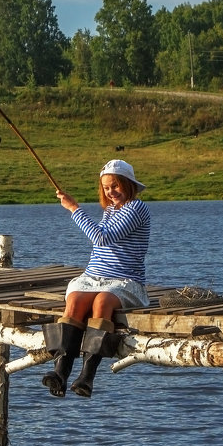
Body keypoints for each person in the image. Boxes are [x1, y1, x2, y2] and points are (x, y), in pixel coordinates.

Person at [42, 159, 151, 398]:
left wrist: (74, 208)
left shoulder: (137, 208)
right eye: (106, 188)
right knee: (76, 301)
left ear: (129, 184)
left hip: (124, 280)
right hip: (93, 276)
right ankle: (60, 371)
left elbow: (102, 239)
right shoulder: (112, 210)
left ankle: (87, 376)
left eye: (115, 186)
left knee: (102, 303)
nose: (111, 192)